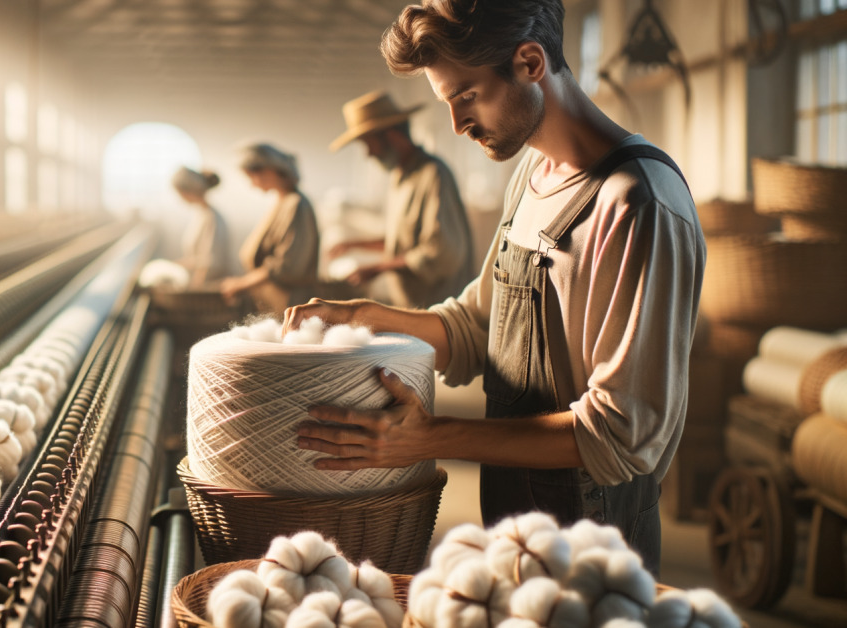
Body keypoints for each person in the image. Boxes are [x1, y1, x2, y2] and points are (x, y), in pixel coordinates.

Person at [284, 0, 705, 575]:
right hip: (516, 506)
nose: (457, 124)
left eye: (466, 97)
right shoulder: (530, 177)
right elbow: (476, 327)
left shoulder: (635, 203)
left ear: (530, 62)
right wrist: (369, 317)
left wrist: (430, 437)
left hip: (592, 527)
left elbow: (620, 432)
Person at [328, 90, 474, 308]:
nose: (369, 154)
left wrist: (377, 269)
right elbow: (404, 242)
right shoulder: (401, 178)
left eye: (369, 144)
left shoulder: (433, 174)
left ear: (392, 136)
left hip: (439, 309)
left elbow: (440, 251)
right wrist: (354, 245)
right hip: (413, 306)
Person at [221, 143, 320, 315]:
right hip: (274, 303)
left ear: (269, 171)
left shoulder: (296, 205)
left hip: (290, 303)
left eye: (253, 177)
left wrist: (242, 283)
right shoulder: (281, 202)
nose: (252, 184)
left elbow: (288, 265)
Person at [172, 166, 231, 286]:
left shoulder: (211, 219)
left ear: (188, 191)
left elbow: (210, 262)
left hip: (209, 287)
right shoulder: (201, 215)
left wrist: (194, 289)